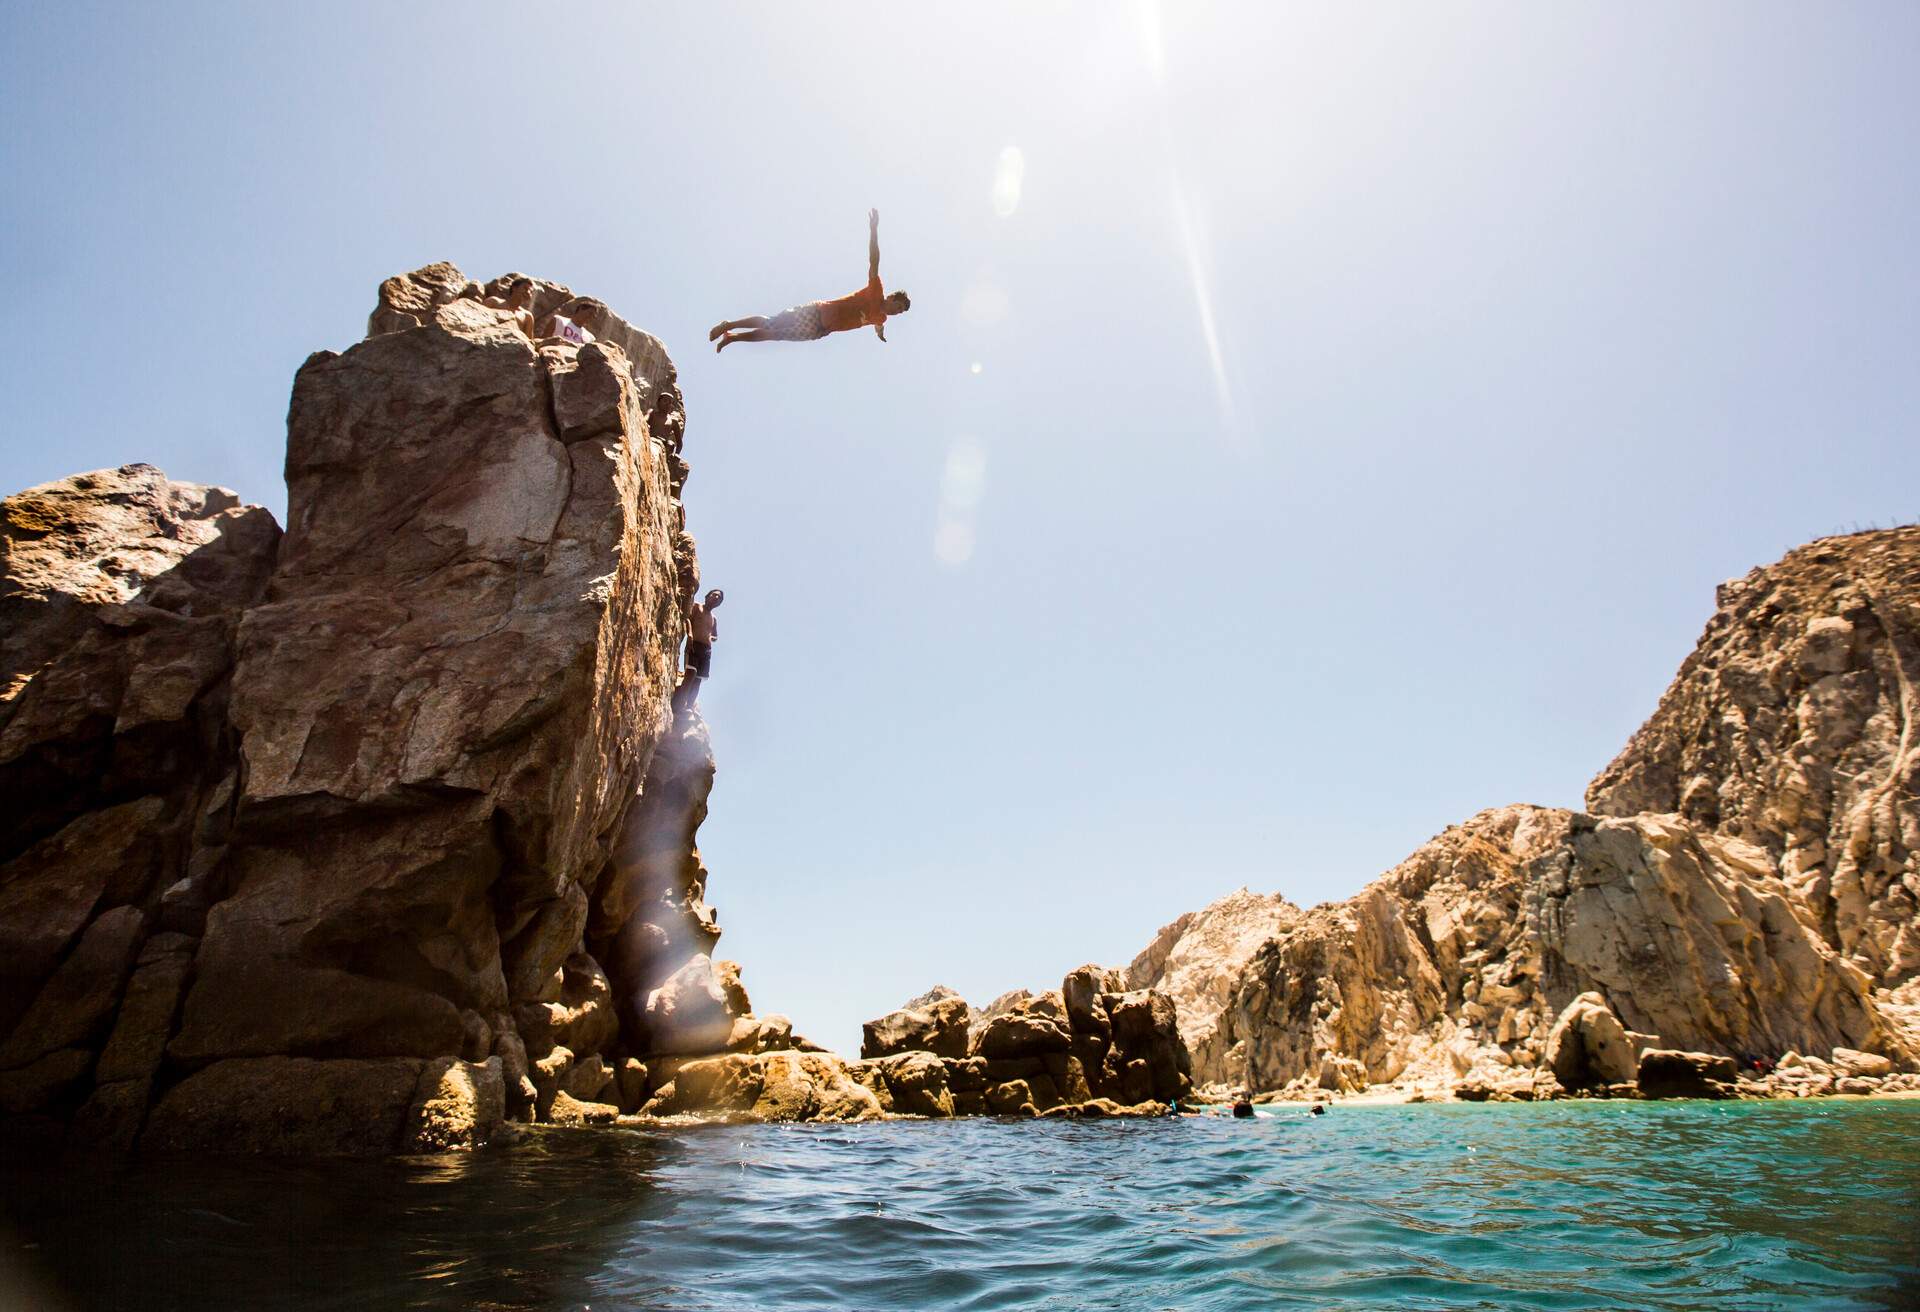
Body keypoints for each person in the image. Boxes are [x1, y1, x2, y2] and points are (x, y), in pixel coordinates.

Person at [710, 209, 910, 352]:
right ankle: (729, 325)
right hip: (818, 312)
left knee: (774, 335)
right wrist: (873, 231)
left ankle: (732, 339)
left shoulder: (881, 318)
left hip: (819, 330)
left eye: (899, 312)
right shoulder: (876, 290)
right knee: (771, 324)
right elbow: (874, 260)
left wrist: (880, 333)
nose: (896, 312)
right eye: (897, 306)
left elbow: (878, 325)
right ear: (891, 297)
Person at [675, 588, 724, 710]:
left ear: (719, 604)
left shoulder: (714, 618)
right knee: (690, 674)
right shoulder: (697, 607)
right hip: (694, 645)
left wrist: (713, 637)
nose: (716, 598)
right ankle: (679, 705)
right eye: (715, 595)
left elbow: (715, 635)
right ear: (707, 596)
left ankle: (689, 707)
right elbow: (687, 619)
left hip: (706, 650)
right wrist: (690, 634)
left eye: (719, 598)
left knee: (698, 680)